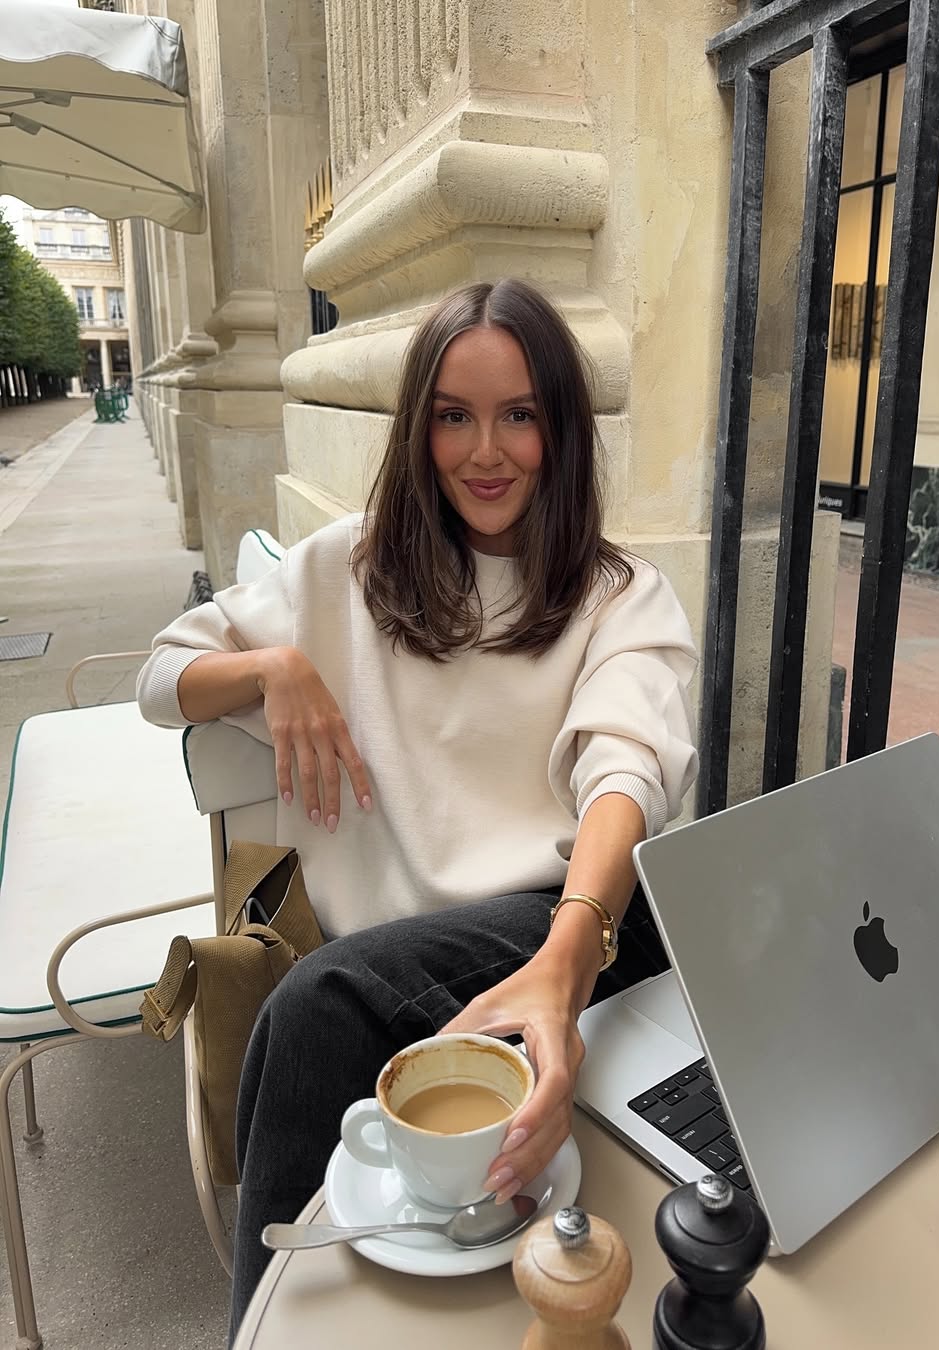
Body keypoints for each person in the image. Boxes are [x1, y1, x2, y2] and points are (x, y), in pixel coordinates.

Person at [136, 278, 699, 1336]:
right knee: (324, 1004)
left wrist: (568, 949)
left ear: (561, 431)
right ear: (419, 427)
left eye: (520, 415)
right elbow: (161, 677)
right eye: (454, 415)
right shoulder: (346, 569)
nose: (486, 451)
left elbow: (625, 767)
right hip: (385, 962)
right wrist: (274, 667)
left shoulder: (621, 596)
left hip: (573, 916)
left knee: (316, 1008)